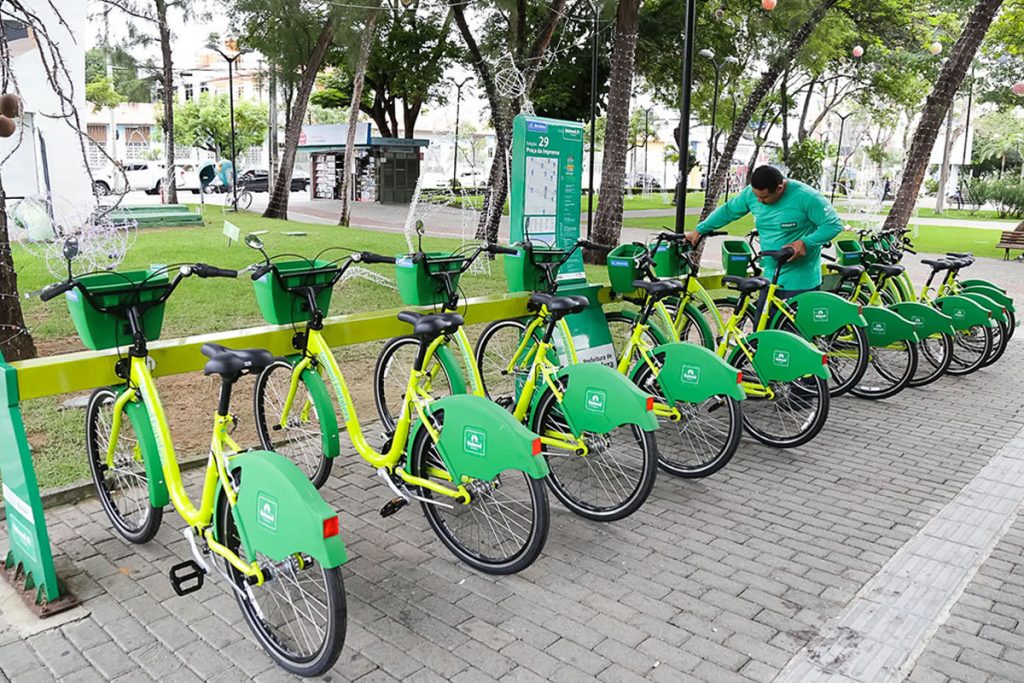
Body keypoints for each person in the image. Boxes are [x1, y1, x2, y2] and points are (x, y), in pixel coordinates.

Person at [686, 165, 843, 322]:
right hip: (770, 278)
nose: (759, 201)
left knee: (795, 339)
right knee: (762, 335)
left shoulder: (807, 197)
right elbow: (728, 211)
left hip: (801, 281)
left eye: (764, 197)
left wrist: (805, 242)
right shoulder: (752, 194)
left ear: (780, 188)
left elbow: (833, 224)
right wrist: (699, 230)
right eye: (756, 196)